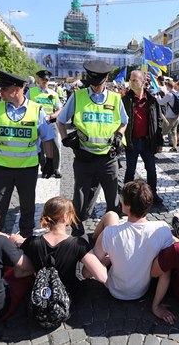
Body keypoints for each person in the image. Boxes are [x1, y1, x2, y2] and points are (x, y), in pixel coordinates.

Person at [0, 70, 55, 238]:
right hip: (2, 168)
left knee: (27, 207)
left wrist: (50, 160)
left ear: (17, 89)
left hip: (28, 168)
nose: (0, 92)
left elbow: (47, 137)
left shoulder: (36, 110)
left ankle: (26, 239)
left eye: (4, 88)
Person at [56, 60, 128, 236]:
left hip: (108, 157)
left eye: (99, 83)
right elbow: (60, 120)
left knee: (112, 195)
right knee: (80, 193)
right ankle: (77, 227)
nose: (95, 87)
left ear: (106, 78)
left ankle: (112, 229)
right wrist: (65, 140)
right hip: (84, 156)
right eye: (92, 84)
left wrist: (119, 135)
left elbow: (124, 122)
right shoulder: (78, 96)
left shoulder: (115, 98)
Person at [92, 180, 174, 300]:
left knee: (111, 215)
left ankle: (96, 242)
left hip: (115, 289)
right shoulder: (162, 229)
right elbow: (166, 272)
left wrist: (106, 261)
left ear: (127, 205)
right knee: (112, 217)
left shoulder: (110, 233)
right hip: (141, 290)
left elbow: (90, 267)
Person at [10, 196, 107, 294]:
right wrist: (107, 260)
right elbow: (102, 276)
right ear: (65, 217)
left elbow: (19, 273)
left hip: (41, 296)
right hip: (69, 296)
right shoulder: (78, 244)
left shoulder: (32, 242)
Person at [122, 70, 163, 205]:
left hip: (148, 141)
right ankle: (127, 198)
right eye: (131, 80)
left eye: (135, 80)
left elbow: (158, 120)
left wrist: (159, 141)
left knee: (151, 169)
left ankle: (152, 194)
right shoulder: (125, 99)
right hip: (131, 141)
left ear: (143, 82)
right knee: (130, 170)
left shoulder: (151, 100)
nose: (132, 83)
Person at [28, 70, 63, 178]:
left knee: (55, 145)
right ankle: (44, 168)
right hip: (36, 123)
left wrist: (52, 116)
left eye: (47, 80)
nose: (45, 82)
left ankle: (56, 168)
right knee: (40, 147)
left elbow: (59, 109)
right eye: (43, 79)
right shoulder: (31, 91)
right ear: (38, 79)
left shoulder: (53, 94)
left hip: (50, 122)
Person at [158, 79, 179, 152]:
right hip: (177, 116)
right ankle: (175, 147)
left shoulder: (169, 95)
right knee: (174, 132)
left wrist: (157, 96)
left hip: (169, 117)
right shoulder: (178, 93)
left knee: (163, 133)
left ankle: (160, 148)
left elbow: (161, 102)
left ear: (168, 86)